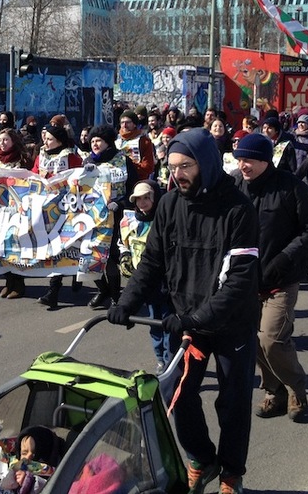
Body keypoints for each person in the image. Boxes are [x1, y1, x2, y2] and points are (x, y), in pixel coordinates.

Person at [108, 128, 260, 494]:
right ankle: (202, 458)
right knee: (178, 394)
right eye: (173, 167)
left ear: (205, 162)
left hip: (231, 322)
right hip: (186, 318)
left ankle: (231, 474)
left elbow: (238, 282)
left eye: (186, 166)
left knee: (233, 402)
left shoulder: (238, 210)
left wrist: (196, 318)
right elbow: (152, 262)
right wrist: (127, 302)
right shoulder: (169, 204)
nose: (178, 175)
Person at [231, 133, 308, 423]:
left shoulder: (291, 187)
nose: (243, 165)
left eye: (249, 160)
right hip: (245, 280)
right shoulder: (234, 185)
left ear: (265, 160)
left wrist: (284, 258)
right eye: (240, 159)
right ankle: (274, 392)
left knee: (271, 339)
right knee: (252, 341)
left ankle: (296, 389)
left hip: (281, 278)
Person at [118, 180, 172, 373]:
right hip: (144, 283)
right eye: (138, 199)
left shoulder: (166, 217)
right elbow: (123, 242)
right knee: (153, 323)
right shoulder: (130, 221)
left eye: (146, 198)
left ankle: (170, 360)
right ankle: (160, 359)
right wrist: (124, 255)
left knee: (168, 325)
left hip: (166, 283)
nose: (142, 203)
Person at [85, 125, 137, 310]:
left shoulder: (123, 160)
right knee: (90, 256)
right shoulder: (88, 162)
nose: (95, 144)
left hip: (116, 215)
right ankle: (103, 289)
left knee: (110, 256)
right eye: (92, 141)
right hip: (92, 217)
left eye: (98, 140)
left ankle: (116, 296)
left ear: (108, 141)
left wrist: (121, 203)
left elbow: (133, 187)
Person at [32, 124, 83, 309]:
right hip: (48, 209)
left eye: (50, 139)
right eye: (45, 138)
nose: (45, 141)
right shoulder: (42, 155)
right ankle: (53, 291)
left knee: (71, 246)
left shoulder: (71, 157)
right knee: (55, 247)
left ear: (60, 140)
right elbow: (33, 174)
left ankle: (82, 278)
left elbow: (81, 179)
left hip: (68, 208)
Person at [0, 129, 34, 300]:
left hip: (17, 208)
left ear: (13, 141)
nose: (2, 143)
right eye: (0, 140)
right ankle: (8, 280)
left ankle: (19, 283)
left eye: (6, 140)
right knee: (2, 244)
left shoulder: (22, 160)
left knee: (16, 244)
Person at [116, 109, 155, 182]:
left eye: (128, 122)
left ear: (134, 124)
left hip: (137, 180)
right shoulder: (115, 139)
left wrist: (129, 165)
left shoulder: (144, 141)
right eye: (122, 122)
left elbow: (148, 167)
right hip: (118, 181)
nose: (124, 125)